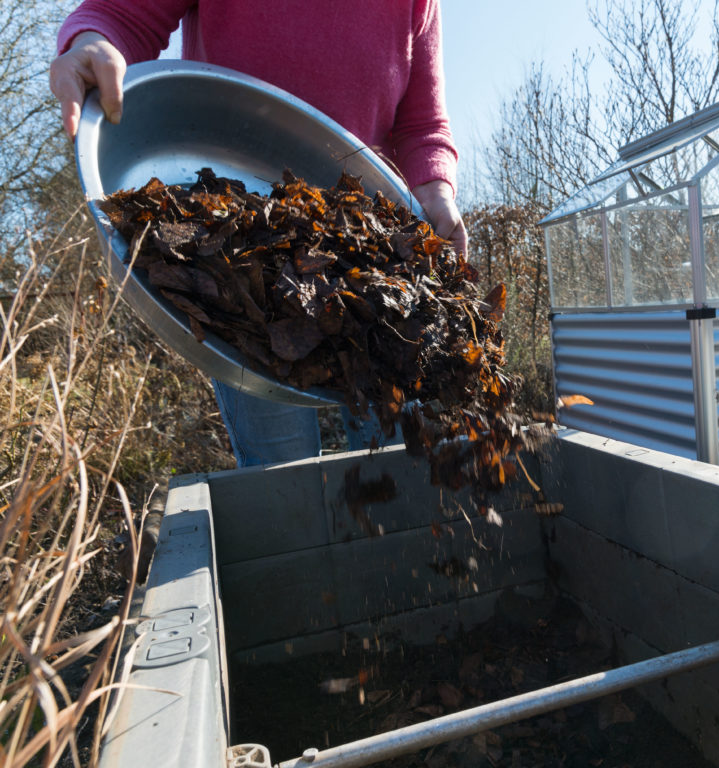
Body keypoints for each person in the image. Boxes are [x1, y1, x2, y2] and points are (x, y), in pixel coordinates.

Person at [50, 1, 467, 466]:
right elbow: (123, 15)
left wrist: (435, 191)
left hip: (369, 268)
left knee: (402, 461)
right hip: (236, 254)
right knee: (278, 473)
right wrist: (92, 43)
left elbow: (421, 122)